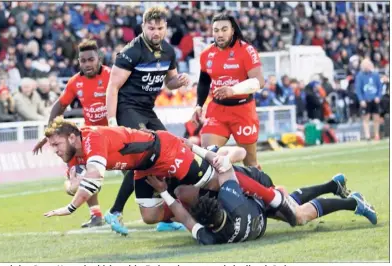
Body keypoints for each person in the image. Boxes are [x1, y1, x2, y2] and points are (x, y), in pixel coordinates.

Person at [42, 117, 297, 234]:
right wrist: (71, 186)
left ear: (73, 137)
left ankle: (273, 198)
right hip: (144, 167)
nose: (54, 151)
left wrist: (72, 206)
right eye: (51, 147)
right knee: (150, 215)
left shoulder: (92, 140)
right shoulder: (74, 150)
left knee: (216, 180)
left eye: (56, 145)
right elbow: (74, 181)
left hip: (165, 151)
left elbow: (94, 178)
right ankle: (192, 205)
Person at [146, 146, 377, 245]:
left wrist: (275, 195)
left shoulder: (222, 190)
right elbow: (184, 215)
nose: (179, 194)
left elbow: (240, 153)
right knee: (291, 207)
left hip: (257, 186)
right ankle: (333, 186)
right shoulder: (222, 196)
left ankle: (353, 201)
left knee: (298, 215)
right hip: (251, 204)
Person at [105, 6, 191, 233]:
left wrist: (179, 81)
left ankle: (166, 217)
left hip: (147, 110)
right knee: (144, 156)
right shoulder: (131, 52)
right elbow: (112, 87)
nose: (156, 32)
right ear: (143, 27)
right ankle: (114, 211)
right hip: (127, 108)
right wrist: (112, 121)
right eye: (151, 28)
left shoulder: (168, 52)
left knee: (171, 151)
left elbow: (169, 83)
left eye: (160, 28)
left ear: (166, 28)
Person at [32, 40, 111, 228]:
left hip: (113, 133)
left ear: (98, 58)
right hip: (90, 136)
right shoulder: (76, 81)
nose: (87, 64)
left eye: (91, 59)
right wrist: (48, 134)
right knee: (77, 181)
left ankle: (158, 210)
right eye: (83, 61)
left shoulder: (110, 76)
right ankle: (96, 215)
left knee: (133, 172)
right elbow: (59, 106)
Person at [192, 14, 265, 168]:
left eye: (224, 29)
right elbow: (204, 81)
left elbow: (259, 82)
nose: (220, 34)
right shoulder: (206, 53)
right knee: (208, 159)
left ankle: (263, 191)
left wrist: (233, 90)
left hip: (243, 111)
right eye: (216, 30)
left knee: (250, 164)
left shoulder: (246, 50)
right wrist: (198, 105)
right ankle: (215, 191)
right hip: (217, 111)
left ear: (232, 30)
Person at [355, 58, 383, 141]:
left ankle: (376, 134)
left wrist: (378, 96)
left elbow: (379, 87)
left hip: (375, 99)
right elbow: (358, 89)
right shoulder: (360, 75)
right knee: (366, 117)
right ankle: (367, 136)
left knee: (376, 117)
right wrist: (361, 100)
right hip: (365, 100)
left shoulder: (375, 75)